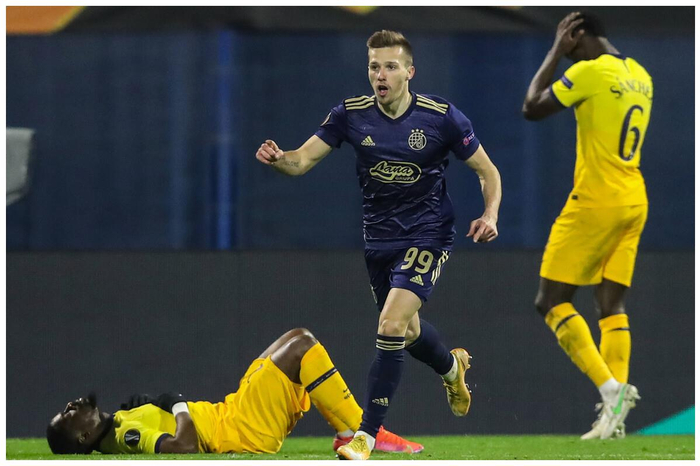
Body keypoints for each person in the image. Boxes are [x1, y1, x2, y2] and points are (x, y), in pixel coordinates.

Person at [256, 30, 502, 460]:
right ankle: (452, 367)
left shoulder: (441, 117)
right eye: (374, 66)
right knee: (407, 332)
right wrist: (280, 160)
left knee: (389, 325)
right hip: (379, 241)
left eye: (390, 66)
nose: (380, 75)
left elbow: (488, 171)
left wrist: (490, 214)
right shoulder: (350, 115)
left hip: (428, 234)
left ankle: (365, 436)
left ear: (410, 72)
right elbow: (302, 160)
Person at [522, 12, 651, 440]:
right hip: (634, 199)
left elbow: (531, 107)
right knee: (611, 306)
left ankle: (611, 389)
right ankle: (615, 417)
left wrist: (554, 52)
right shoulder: (642, 76)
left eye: (568, 39)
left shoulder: (590, 72)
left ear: (577, 35)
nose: (567, 50)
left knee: (551, 301)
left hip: (596, 200)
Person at [46, 328, 423, 456]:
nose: (71, 405)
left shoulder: (119, 422)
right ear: (82, 437)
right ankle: (366, 431)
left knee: (294, 338)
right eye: (66, 415)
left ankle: (346, 432)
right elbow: (182, 448)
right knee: (302, 345)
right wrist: (176, 404)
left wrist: (157, 406)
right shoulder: (123, 435)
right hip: (243, 430)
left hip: (233, 413)